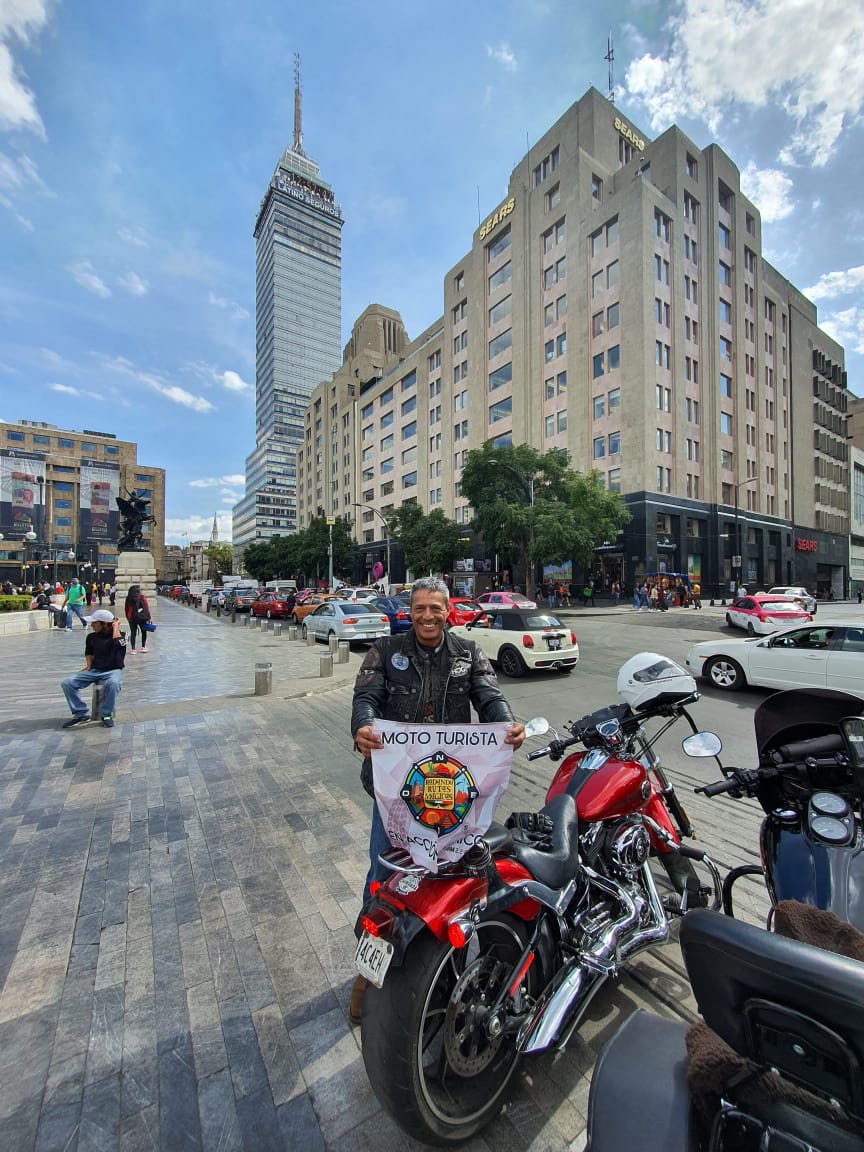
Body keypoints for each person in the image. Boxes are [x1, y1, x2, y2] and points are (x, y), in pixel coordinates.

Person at [349, 576, 525, 1024]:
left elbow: (490, 698)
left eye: (436, 608)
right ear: (410, 609)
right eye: (420, 607)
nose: (428, 615)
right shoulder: (384, 651)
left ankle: (458, 967)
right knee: (383, 882)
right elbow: (365, 698)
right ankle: (366, 978)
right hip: (396, 798)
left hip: (455, 800)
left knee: (465, 879)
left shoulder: (469, 653)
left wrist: (507, 726)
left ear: (449, 611)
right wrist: (364, 726)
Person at [60, 608, 127, 728]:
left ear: (105, 624)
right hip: (95, 670)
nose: (92, 625)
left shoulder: (122, 635)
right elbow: (89, 652)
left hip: (113, 670)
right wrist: (89, 665)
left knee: (113, 684)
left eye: (95, 623)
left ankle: (106, 714)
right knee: (68, 683)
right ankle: (81, 713)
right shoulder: (91, 637)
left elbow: (118, 644)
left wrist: (115, 626)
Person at [124, 584, 151, 653]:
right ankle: (143, 647)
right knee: (144, 632)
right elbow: (146, 608)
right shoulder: (142, 597)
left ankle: (133, 649)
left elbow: (126, 609)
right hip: (142, 618)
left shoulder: (129, 598)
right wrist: (149, 617)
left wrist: (128, 617)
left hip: (132, 618)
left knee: (133, 633)